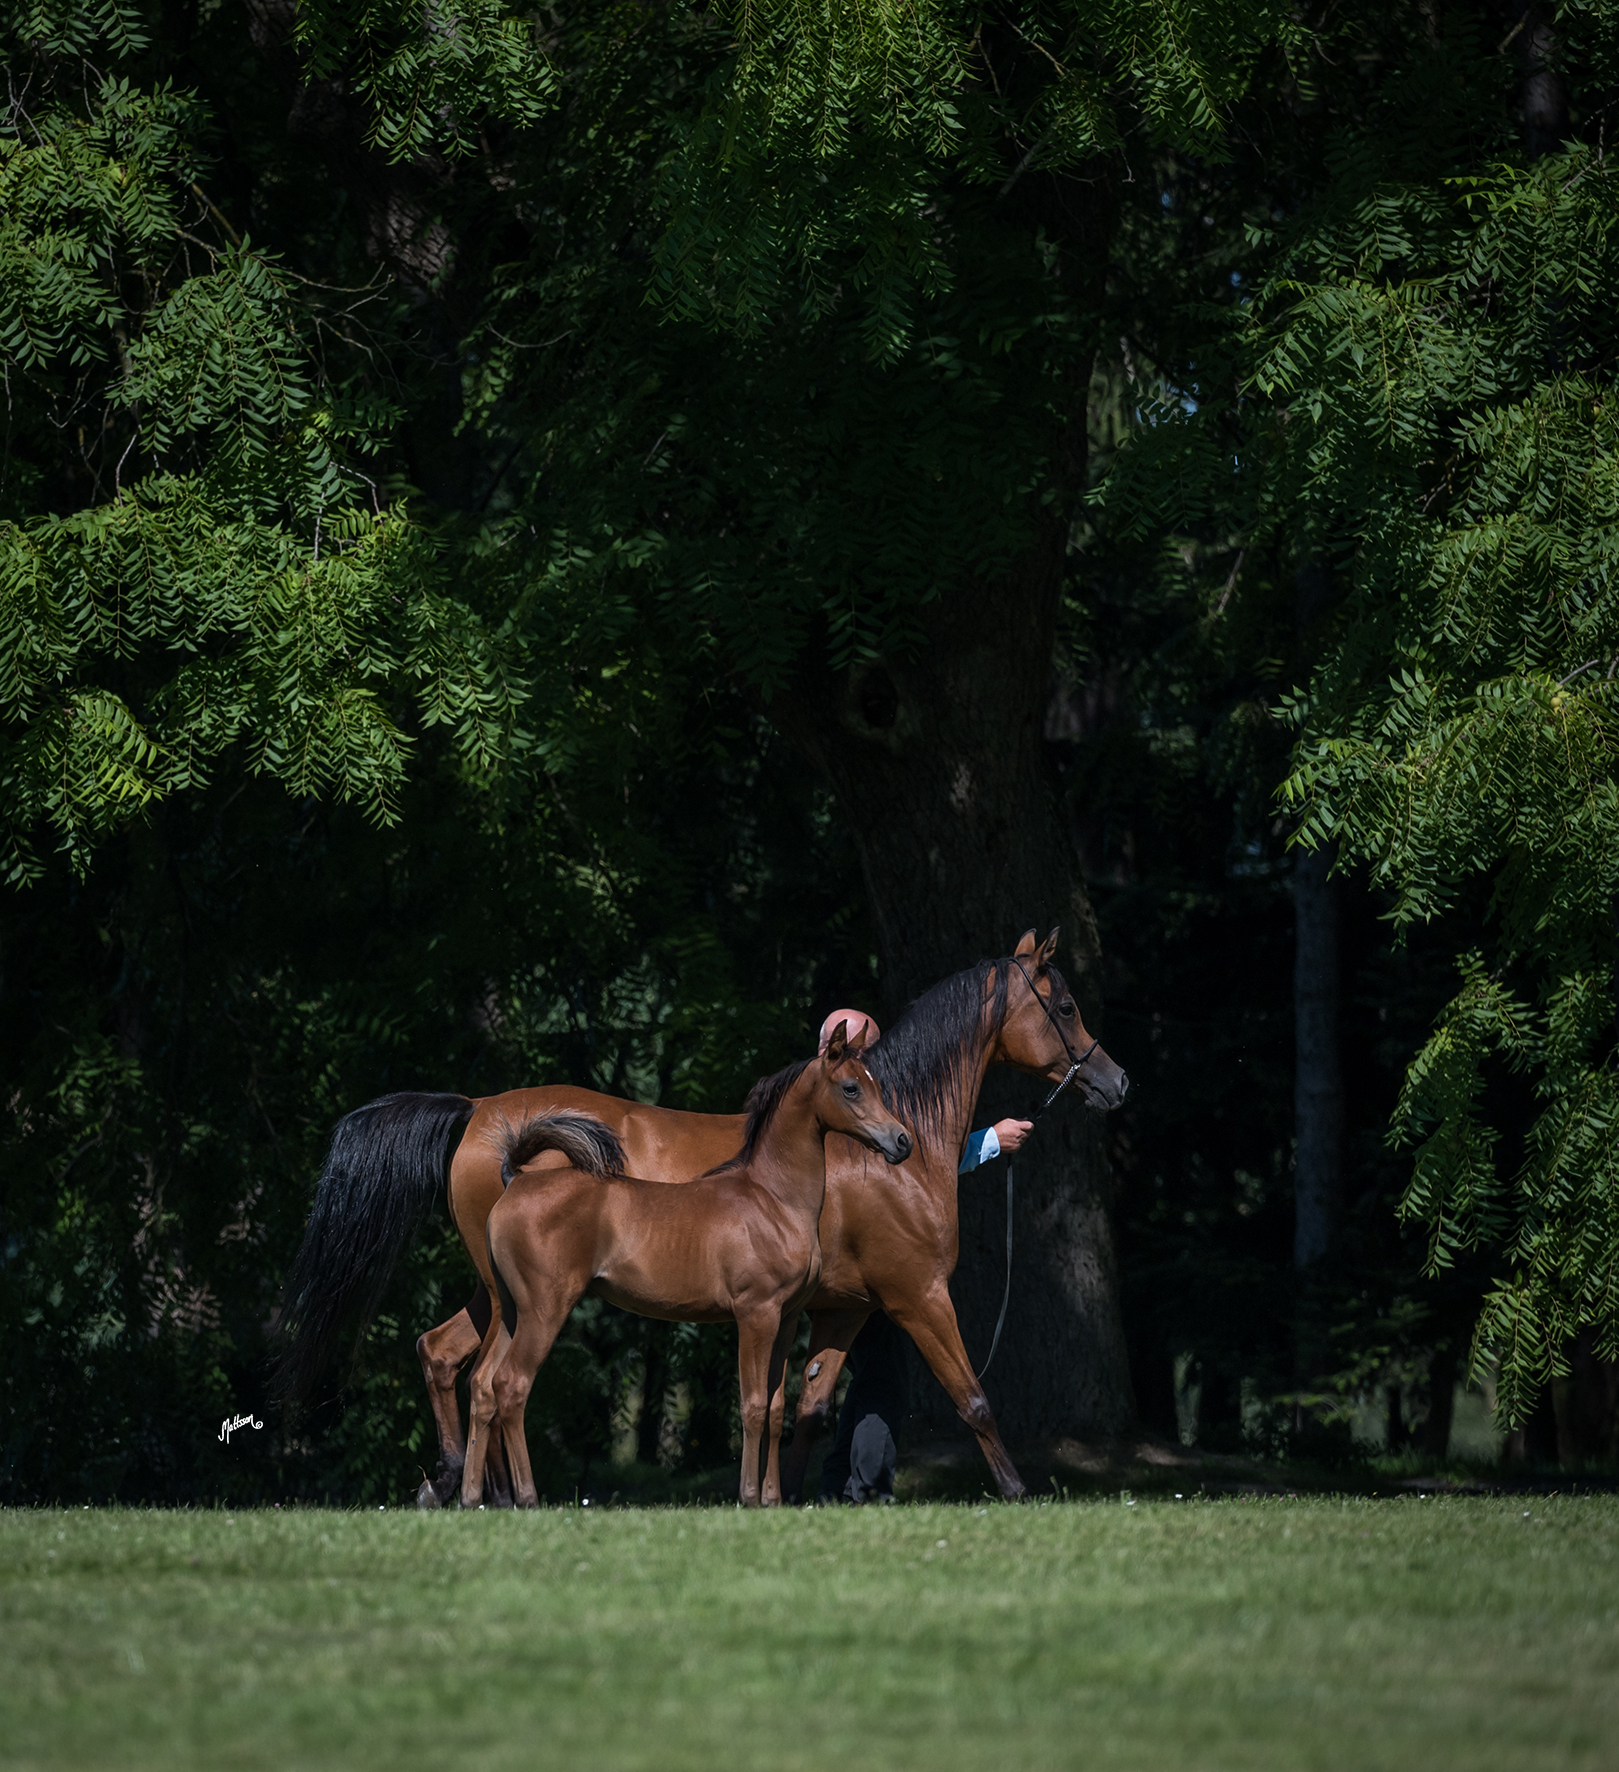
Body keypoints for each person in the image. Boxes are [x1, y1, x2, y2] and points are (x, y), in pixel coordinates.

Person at [810, 1008, 1033, 1503]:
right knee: (883, 1377)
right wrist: (992, 1142)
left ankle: (838, 1488)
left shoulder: (820, 1103)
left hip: (838, 1267)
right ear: (841, 1049)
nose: (878, 1060)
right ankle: (864, 1491)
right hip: (867, 1267)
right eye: (868, 1049)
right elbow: (903, 1168)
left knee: (860, 1378)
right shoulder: (844, 1104)